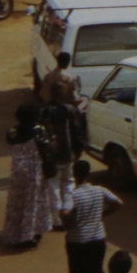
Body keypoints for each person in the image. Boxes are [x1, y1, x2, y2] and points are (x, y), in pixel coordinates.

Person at [61, 160, 122, 273]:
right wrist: (102, 215)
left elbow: (66, 213)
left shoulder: (72, 194)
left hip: (77, 241)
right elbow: (118, 203)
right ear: (88, 174)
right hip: (97, 239)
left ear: (75, 175)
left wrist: (69, 221)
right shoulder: (99, 190)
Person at [1, 104, 52, 247]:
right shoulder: (38, 130)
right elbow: (46, 147)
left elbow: (10, 142)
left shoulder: (12, 131)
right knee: (32, 202)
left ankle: (14, 234)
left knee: (17, 201)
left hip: (18, 169)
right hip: (34, 169)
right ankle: (29, 235)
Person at [42, 80, 86, 230]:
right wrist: (79, 149)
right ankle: (67, 214)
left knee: (52, 186)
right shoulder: (70, 110)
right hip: (68, 154)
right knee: (68, 183)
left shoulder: (43, 111)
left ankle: (57, 220)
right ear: (63, 94)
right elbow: (77, 131)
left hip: (50, 155)